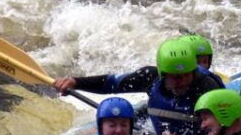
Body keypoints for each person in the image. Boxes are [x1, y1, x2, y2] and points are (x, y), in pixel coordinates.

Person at [51, 34, 222, 97]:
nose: (183, 82)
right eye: (176, 77)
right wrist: (75, 82)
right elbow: (111, 84)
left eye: (187, 75)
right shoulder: (151, 78)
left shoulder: (209, 87)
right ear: (163, 74)